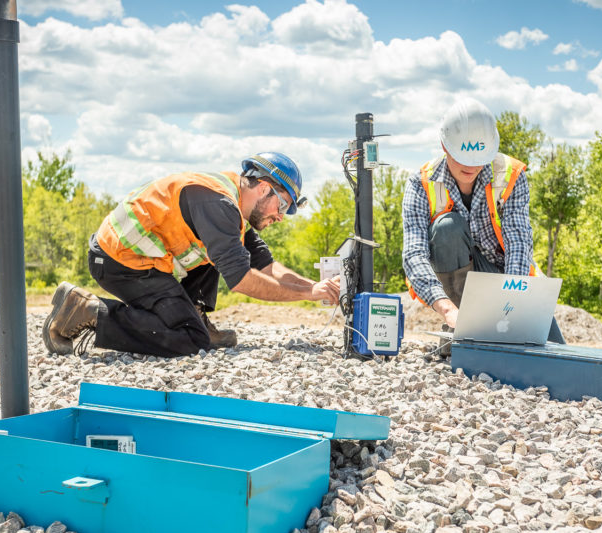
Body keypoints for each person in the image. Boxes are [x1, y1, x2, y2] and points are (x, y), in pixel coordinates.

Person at [42, 152, 340, 357]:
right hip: (119, 261)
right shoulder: (219, 205)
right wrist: (307, 295)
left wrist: (316, 288)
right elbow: (244, 282)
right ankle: (88, 310)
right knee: (190, 339)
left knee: (227, 254)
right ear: (264, 189)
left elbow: (267, 267)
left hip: (136, 259)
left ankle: (194, 314)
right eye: (284, 206)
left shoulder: (232, 204)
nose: (282, 217)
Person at [402, 97, 564, 342]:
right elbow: (414, 254)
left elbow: (518, 243)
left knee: (549, 347)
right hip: (455, 282)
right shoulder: (421, 183)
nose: (471, 166)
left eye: (479, 159)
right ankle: (464, 327)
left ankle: (480, 336)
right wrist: (447, 310)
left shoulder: (510, 175)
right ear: (445, 146)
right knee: (447, 228)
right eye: (463, 158)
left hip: (502, 275)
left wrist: (511, 305)